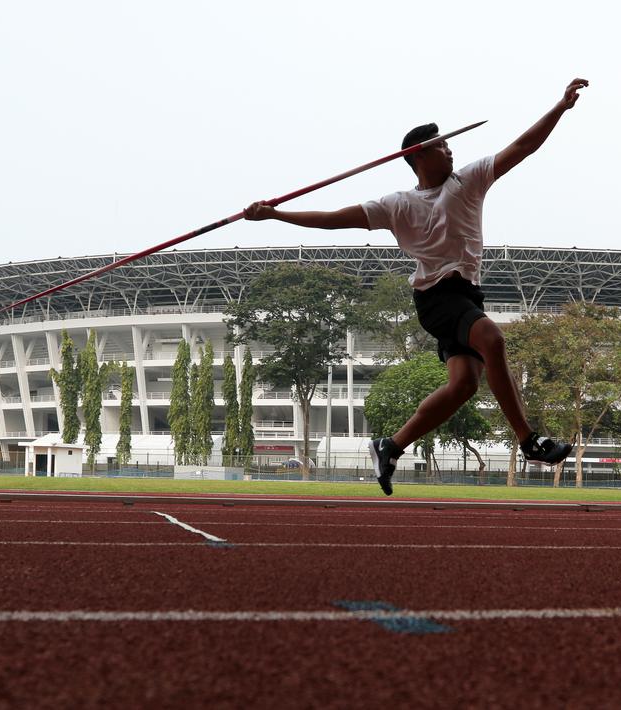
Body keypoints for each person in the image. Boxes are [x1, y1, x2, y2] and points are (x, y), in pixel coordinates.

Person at [245, 78, 589, 495]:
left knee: (463, 385)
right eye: (442, 145)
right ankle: (528, 439)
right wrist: (277, 215)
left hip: (466, 294)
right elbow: (335, 217)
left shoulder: (469, 180)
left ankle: (390, 446)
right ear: (419, 155)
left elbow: (522, 147)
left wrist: (560, 107)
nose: (450, 149)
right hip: (435, 297)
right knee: (493, 339)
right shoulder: (397, 205)